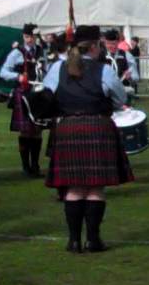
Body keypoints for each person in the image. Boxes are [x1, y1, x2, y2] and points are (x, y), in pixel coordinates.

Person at [42, 25, 133, 253]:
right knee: (95, 188)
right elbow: (119, 97)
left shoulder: (56, 68)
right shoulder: (103, 70)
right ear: (94, 46)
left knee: (73, 188)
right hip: (97, 127)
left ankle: (73, 241)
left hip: (68, 128)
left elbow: (46, 96)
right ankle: (93, 240)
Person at [0, 24, 46, 177]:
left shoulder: (41, 51)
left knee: (37, 129)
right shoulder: (16, 53)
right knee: (26, 131)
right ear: (24, 36)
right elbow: (3, 72)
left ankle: (35, 165)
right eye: (27, 36)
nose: (30, 39)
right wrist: (18, 77)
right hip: (24, 93)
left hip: (38, 92)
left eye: (33, 36)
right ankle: (26, 167)